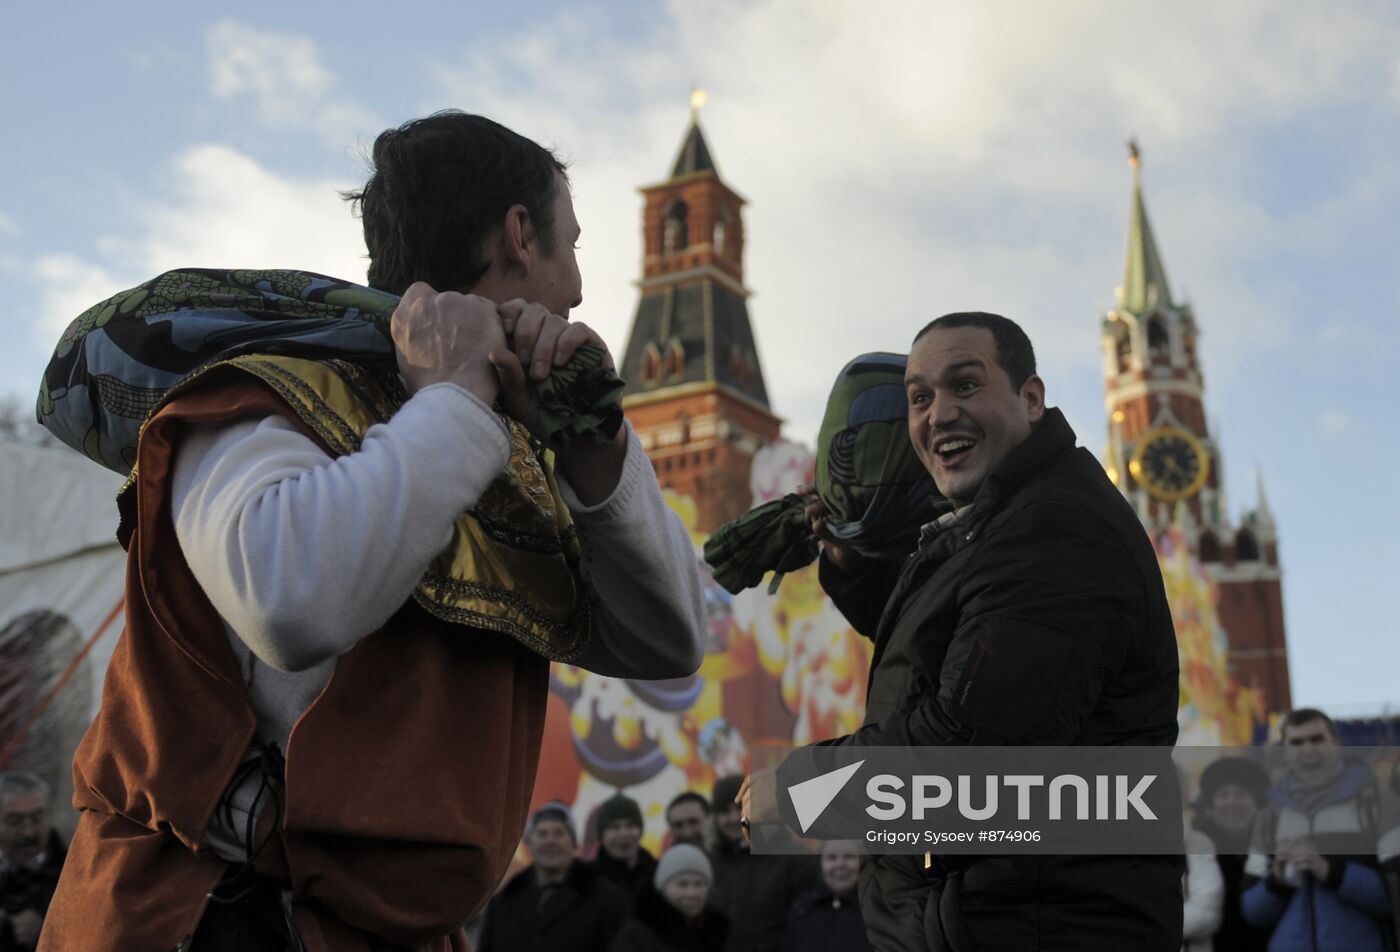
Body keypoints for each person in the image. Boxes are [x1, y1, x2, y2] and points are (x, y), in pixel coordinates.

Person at [38, 111, 707, 951]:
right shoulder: (276, 386)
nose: (576, 287)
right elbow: (288, 600)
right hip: (203, 924)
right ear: (519, 236)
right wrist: (458, 401)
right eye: (571, 245)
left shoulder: (515, 450)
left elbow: (671, 641)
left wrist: (594, 447)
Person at [748, 313, 1183, 950]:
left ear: (1030, 399)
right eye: (920, 398)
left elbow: (970, 755)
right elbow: (956, 654)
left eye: (966, 385)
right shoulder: (1004, 520)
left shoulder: (1055, 527)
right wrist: (853, 566)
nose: (938, 413)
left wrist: (797, 789)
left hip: (1033, 924)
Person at [1241, 708, 1400, 951]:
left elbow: (1393, 897)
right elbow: (1252, 912)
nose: (1308, 749)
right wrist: (1278, 881)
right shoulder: (1269, 818)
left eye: (1317, 739)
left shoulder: (1379, 805)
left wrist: (1331, 871)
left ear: (1335, 743)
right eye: (1297, 742)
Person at [479, 802, 628, 952]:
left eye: (559, 833)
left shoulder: (608, 899)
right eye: (542, 834)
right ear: (529, 844)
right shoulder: (504, 901)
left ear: (574, 843)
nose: (550, 841)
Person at [709, 775, 818, 952]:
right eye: (724, 811)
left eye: (741, 807)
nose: (734, 818)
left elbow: (810, 924)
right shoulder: (711, 862)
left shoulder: (796, 857)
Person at [1191, 757, 1271, 951]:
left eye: (1241, 794)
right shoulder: (1196, 849)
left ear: (1257, 803)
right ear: (1210, 805)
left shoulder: (1273, 846)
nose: (1231, 802)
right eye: (1223, 794)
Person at [610, 844, 729, 952]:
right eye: (682, 884)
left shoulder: (717, 932)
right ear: (662, 888)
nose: (691, 893)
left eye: (698, 884)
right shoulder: (638, 934)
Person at [0, 774, 65, 952]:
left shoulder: (73, 874)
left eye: (36, 818)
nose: (28, 832)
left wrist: (48, 928)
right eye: (15, 821)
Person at [779, 840, 870, 952]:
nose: (840, 864)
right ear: (820, 863)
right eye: (831, 857)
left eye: (849, 857)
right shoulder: (801, 910)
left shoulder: (877, 912)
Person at [591, 793, 659, 910]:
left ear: (640, 831)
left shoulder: (659, 874)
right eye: (614, 827)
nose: (623, 833)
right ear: (602, 836)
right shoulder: (589, 878)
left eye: (630, 825)